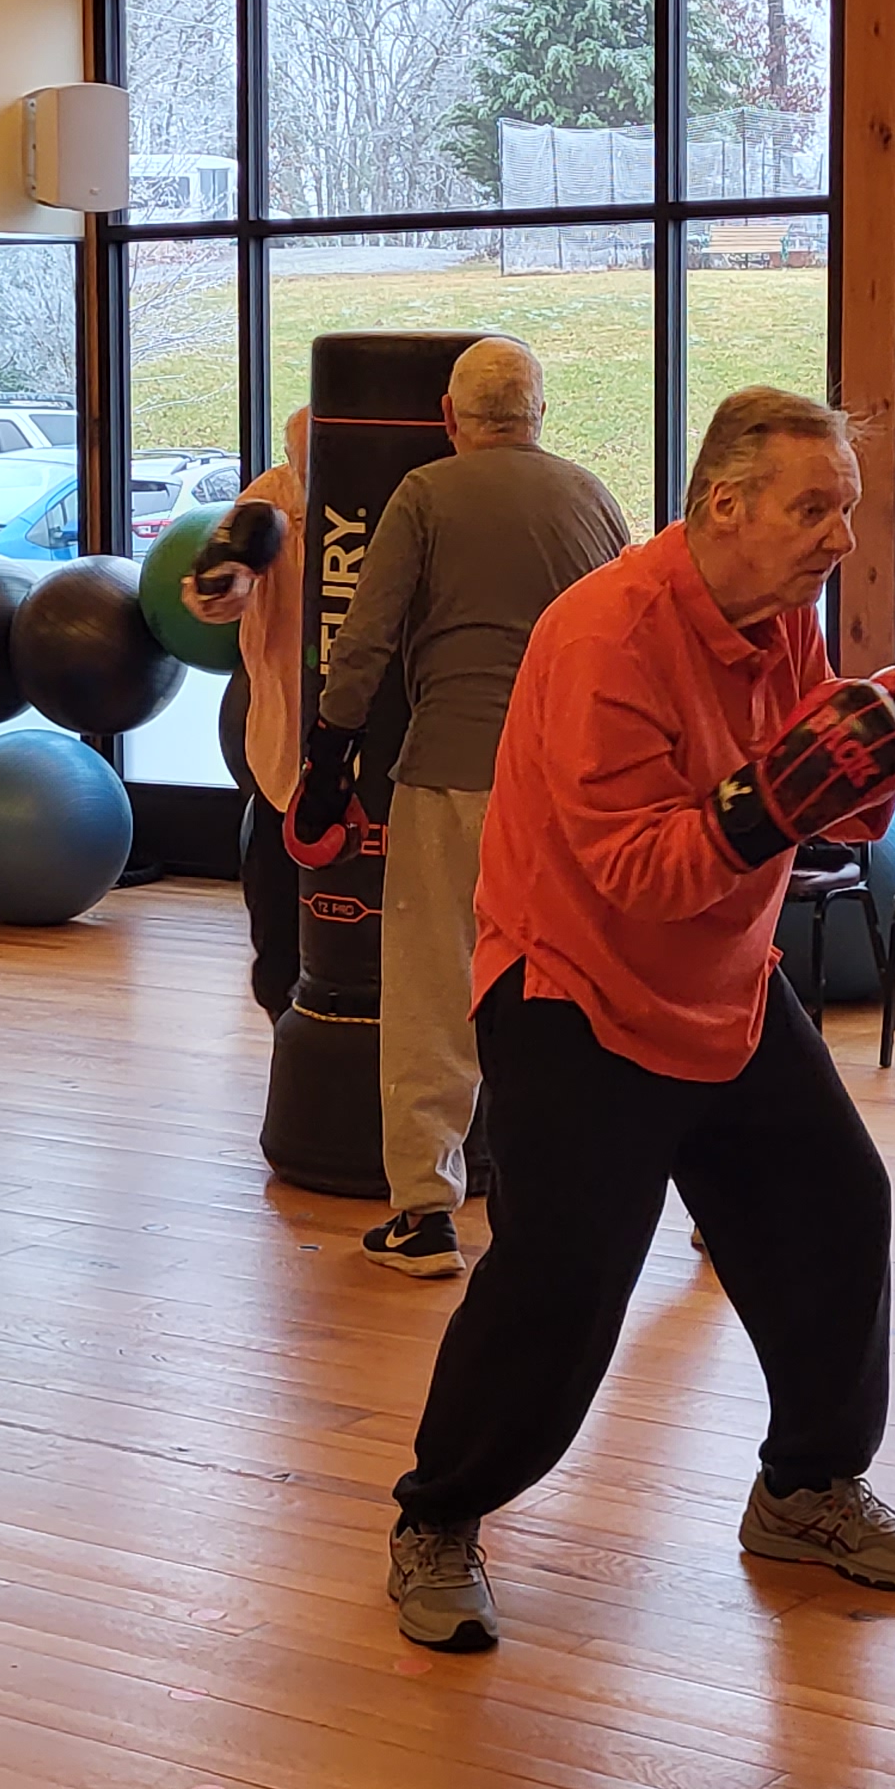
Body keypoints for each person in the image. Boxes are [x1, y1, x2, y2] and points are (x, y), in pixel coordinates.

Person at [384, 387, 895, 1651]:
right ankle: (438, 1518)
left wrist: (882, 763)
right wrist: (777, 795)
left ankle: (807, 1488)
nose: (839, 538)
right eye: (814, 509)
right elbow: (642, 871)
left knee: (834, 1204)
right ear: (726, 503)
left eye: (848, 511)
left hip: (723, 977)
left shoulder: (781, 619)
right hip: (576, 984)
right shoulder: (606, 634)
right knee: (566, 1274)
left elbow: (822, 810)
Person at [299, 338, 625, 1279]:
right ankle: (615, 1187)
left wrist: (327, 759)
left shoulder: (426, 493)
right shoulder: (591, 497)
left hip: (451, 774)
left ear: (448, 418)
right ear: (539, 416)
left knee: (433, 989)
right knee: (586, 987)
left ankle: (424, 1212)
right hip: (569, 782)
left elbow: (363, 638)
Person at [183, 406, 310, 1023]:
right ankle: (289, 1055)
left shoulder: (399, 496)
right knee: (278, 934)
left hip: (375, 745)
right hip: (283, 742)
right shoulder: (269, 499)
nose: (310, 468)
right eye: (302, 456)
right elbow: (208, 591)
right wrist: (220, 587)